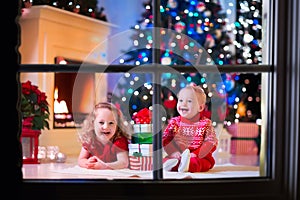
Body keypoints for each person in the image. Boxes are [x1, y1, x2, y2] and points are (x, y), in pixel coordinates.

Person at [162, 84, 218, 173]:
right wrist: (173, 152)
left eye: (189, 101)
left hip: (199, 156)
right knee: (167, 160)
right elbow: (166, 139)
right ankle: (173, 165)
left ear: (200, 107)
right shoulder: (174, 122)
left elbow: (211, 143)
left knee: (201, 163)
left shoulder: (205, 123)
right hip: (178, 155)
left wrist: (195, 154)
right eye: (180, 100)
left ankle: (188, 166)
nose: (183, 104)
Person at [77, 102, 132, 170]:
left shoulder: (119, 140)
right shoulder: (90, 139)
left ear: (117, 125)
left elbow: (124, 163)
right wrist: (87, 163)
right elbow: (81, 159)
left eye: (111, 123)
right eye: (101, 123)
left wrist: (104, 166)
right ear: (92, 123)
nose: (106, 127)